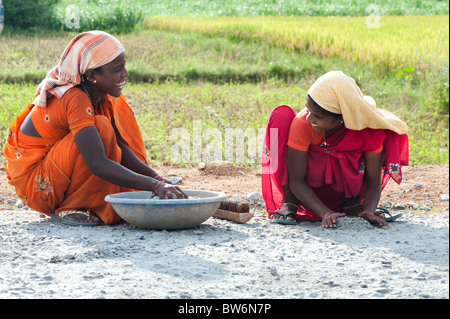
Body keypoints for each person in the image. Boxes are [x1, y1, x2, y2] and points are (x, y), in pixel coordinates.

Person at [3, 31, 187, 226]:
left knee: (103, 131)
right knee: (100, 128)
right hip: (37, 184)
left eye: (124, 66)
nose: (125, 74)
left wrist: (157, 178)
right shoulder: (74, 97)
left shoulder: (101, 95)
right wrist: (154, 186)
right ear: (91, 75)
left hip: (56, 170)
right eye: (117, 69)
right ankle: (70, 206)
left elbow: (119, 147)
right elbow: (96, 162)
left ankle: (89, 202)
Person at [261, 71, 409, 228]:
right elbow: (296, 181)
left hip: (348, 199)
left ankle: (354, 206)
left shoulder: (367, 132)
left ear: (341, 119)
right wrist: (326, 213)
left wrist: (369, 211)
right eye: (307, 109)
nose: (309, 118)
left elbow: (373, 182)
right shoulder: (303, 124)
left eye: (317, 116)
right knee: (281, 115)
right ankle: (288, 203)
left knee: (382, 134)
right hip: (305, 196)